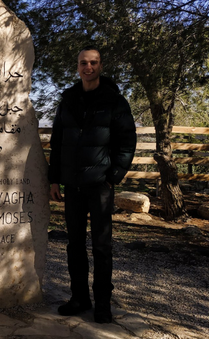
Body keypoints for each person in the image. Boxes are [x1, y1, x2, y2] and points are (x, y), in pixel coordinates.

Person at [49, 46, 136, 324]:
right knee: (74, 244)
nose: (89, 67)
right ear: (77, 67)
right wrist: (54, 179)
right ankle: (79, 298)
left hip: (100, 185)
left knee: (101, 246)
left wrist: (114, 177)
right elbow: (57, 142)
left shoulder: (114, 101)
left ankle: (102, 303)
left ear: (100, 66)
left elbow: (127, 141)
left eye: (94, 63)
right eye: (84, 63)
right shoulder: (68, 100)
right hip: (72, 186)